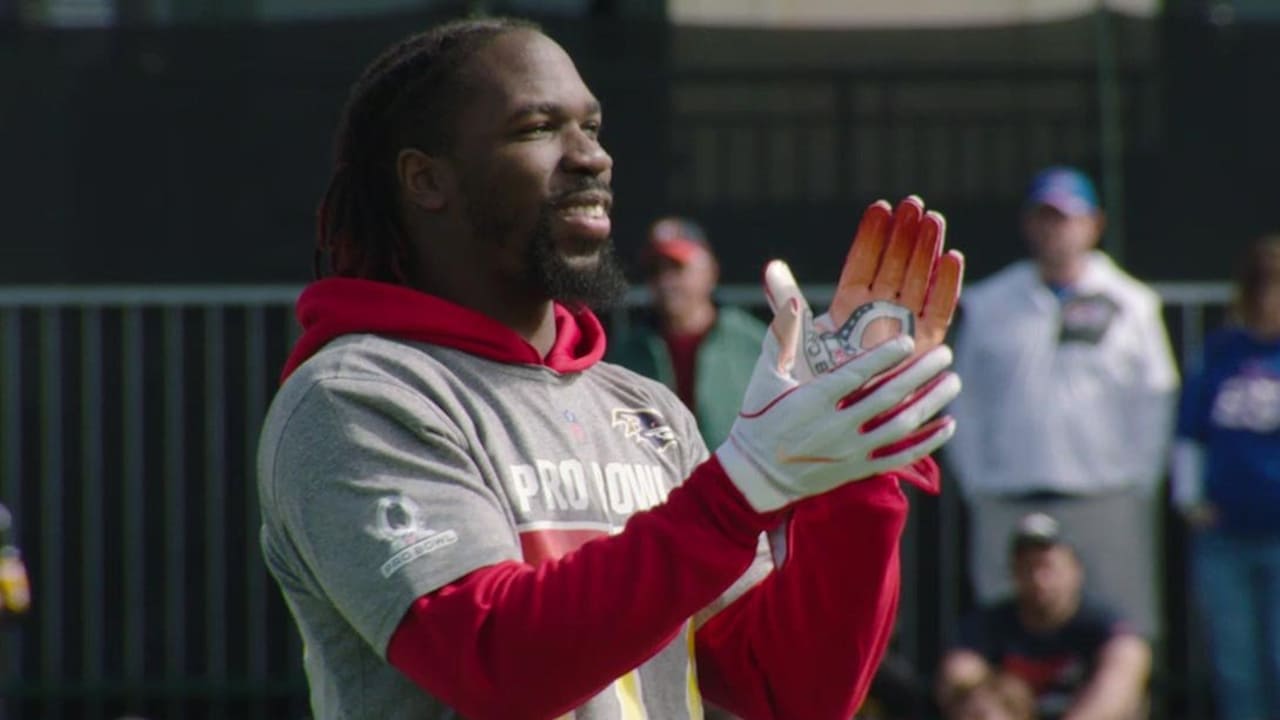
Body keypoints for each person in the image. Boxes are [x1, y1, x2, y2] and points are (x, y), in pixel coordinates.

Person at [255, 16, 966, 720]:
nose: (591, 157)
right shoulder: (355, 396)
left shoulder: (644, 408)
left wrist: (853, 476)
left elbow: (786, 690)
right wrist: (739, 489)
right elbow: (495, 662)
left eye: (592, 128)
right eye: (537, 127)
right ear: (426, 178)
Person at [945, 166, 1179, 639]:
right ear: (1027, 224)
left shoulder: (1133, 303)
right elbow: (961, 399)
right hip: (1006, 497)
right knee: (1003, 635)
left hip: (1105, 499)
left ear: (1094, 224)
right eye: (1045, 217)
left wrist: (1138, 485)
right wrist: (977, 482)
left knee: (1122, 633)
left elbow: (1155, 398)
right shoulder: (988, 302)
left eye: (1067, 218)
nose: (1055, 229)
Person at [1171, 234, 1280, 720]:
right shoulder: (1219, 353)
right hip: (1225, 536)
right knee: (1237, 667)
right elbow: (1190, 428)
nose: (1269, 299)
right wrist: (1190, 499)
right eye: (1260, 286)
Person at [936, 513, 1151, 720]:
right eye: (1027, 568)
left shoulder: (1102, 624)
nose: (1039, 579)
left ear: (1076, 570)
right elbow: (960, 675)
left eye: (1048, 567)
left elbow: (1125, 664)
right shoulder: (987, 624)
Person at [607, 216, 768, 449]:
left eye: (677, 267)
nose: (666, 280)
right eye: (655, 270)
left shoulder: (754, 344)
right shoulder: (626, 355)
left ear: (711, 271)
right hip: (662, 481)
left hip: (738, 480)